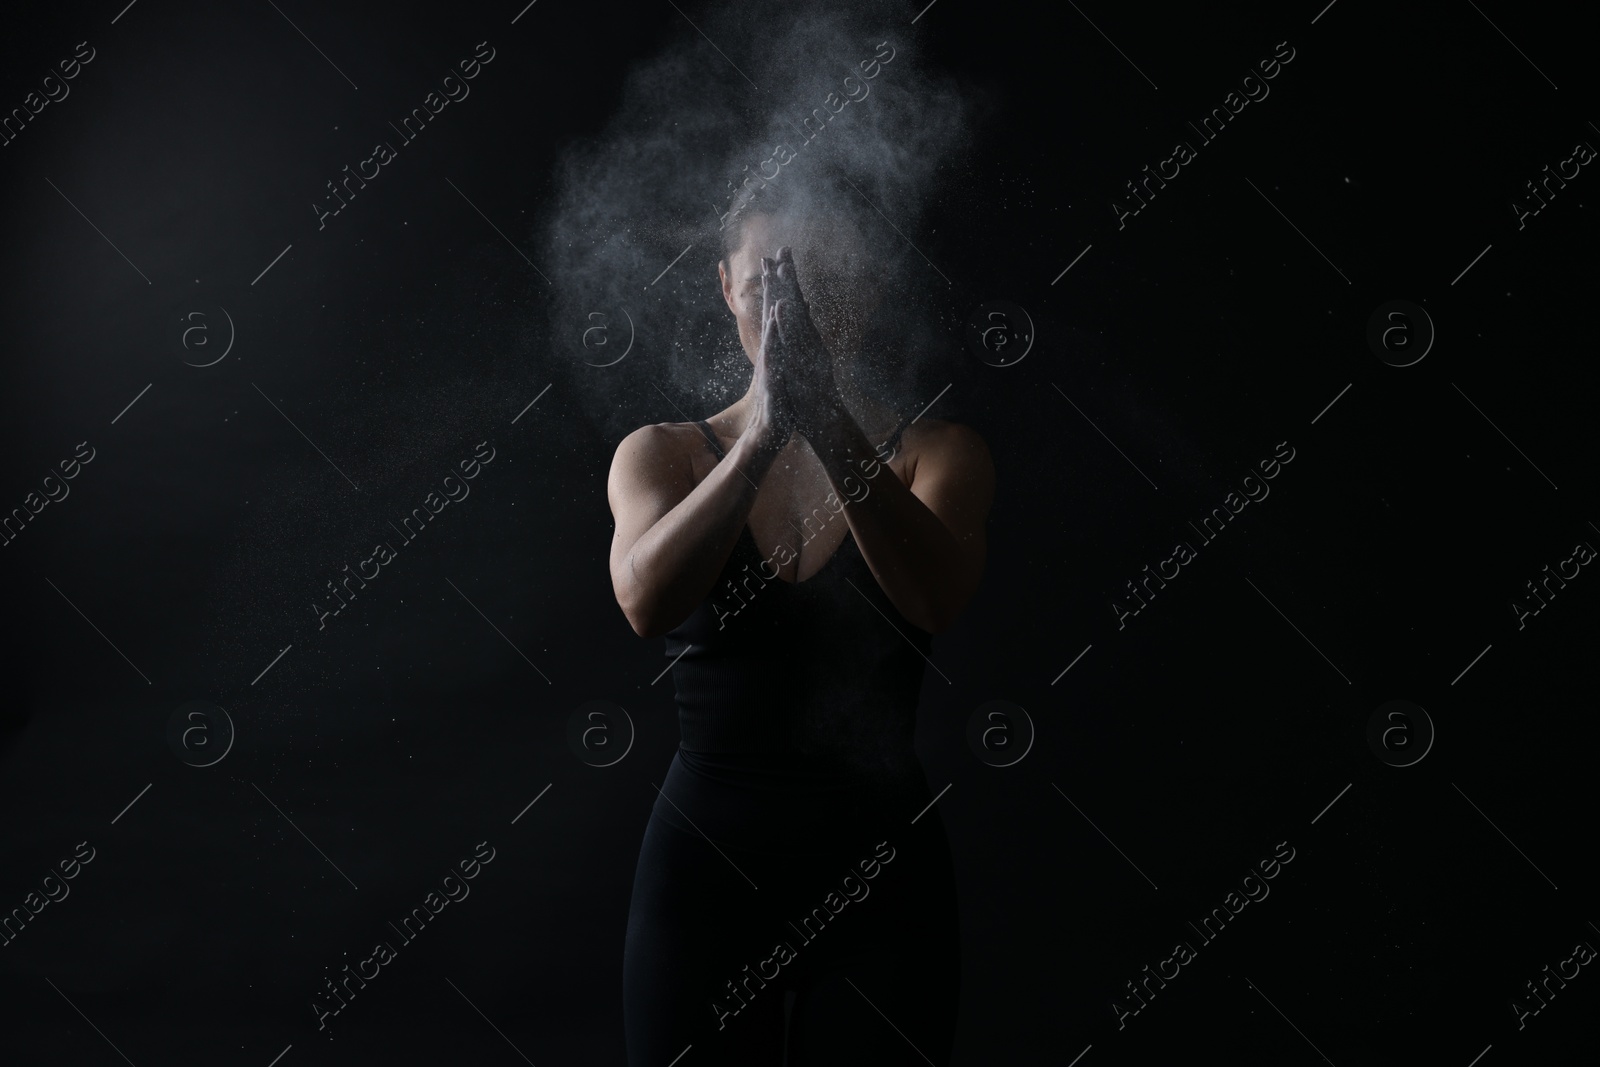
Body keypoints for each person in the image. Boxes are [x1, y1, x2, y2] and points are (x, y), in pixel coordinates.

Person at [607, 178, 993, 1065]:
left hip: (883, 875)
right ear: (725, 289)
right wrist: (764, 434)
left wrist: (823, 421)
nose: (795, 313)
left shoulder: (939, 453)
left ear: (869, 286)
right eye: (769, 288)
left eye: (823, 284)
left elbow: (934, 599)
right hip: (699, 878)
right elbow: (644, 602)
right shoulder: (661, 453)